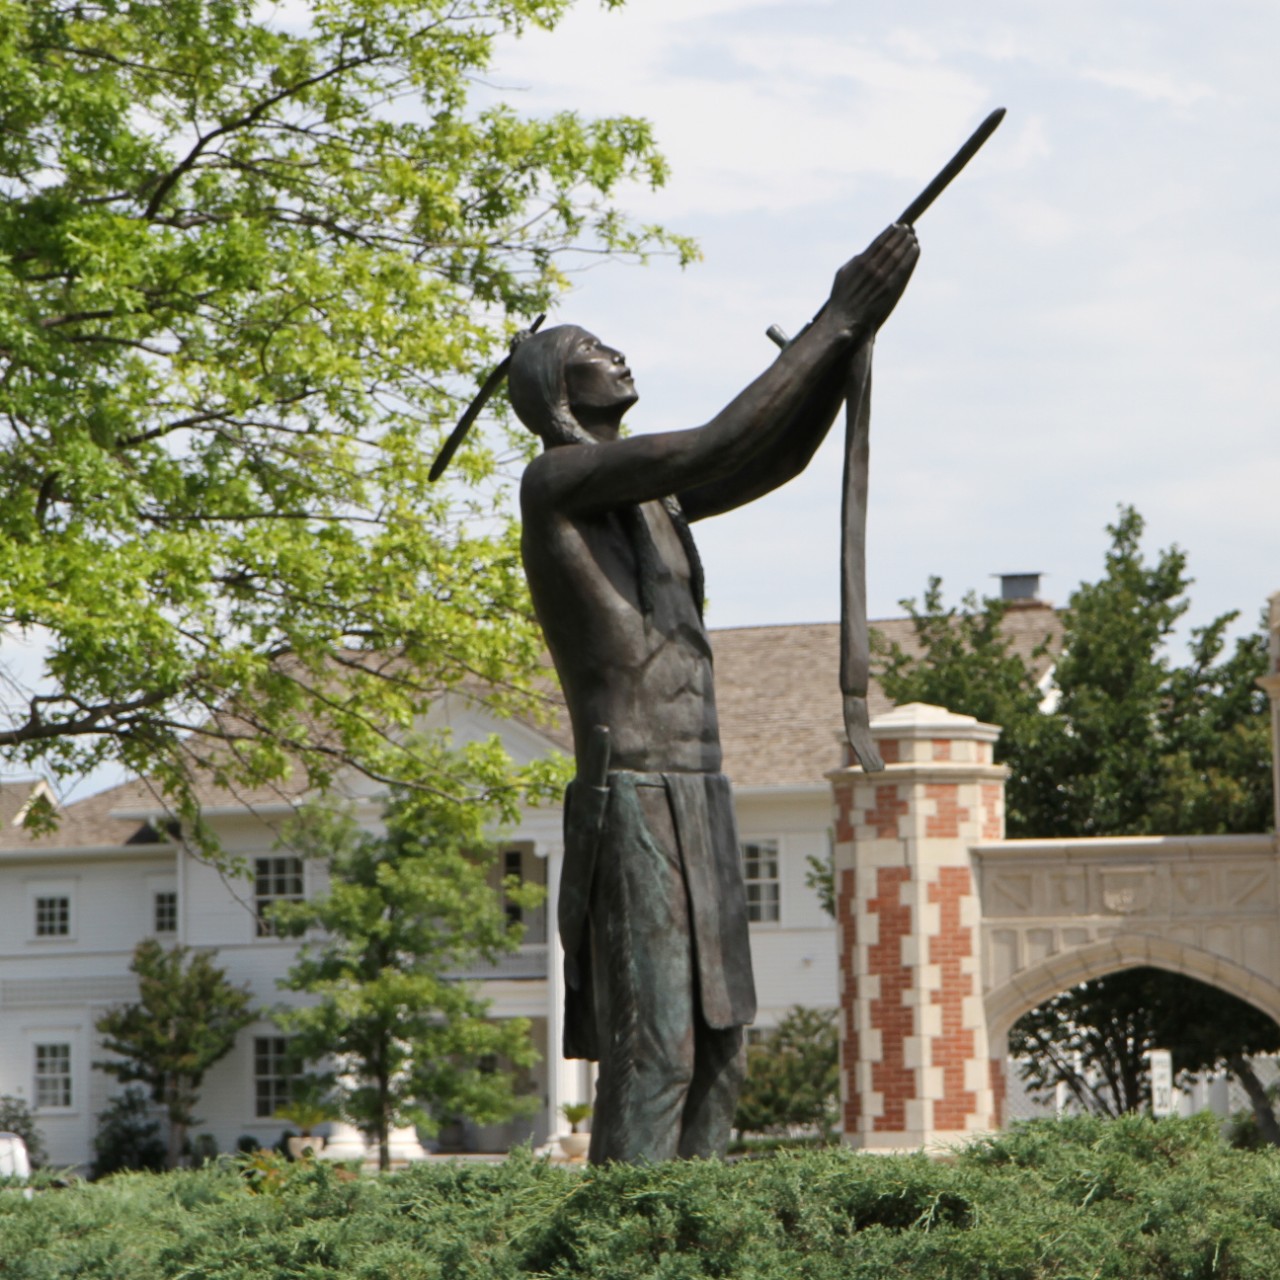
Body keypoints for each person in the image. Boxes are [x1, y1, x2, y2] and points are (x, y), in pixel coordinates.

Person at [511, 224, 919, 1162]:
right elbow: (715, 440)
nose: (614, 354)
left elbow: (769, 458)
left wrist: (842, 349)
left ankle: (701, 1242)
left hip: (701, 788)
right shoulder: (558, 483)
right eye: (587, 353)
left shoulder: (652, 502)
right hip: (635, 793)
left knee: (722, 1043)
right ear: (557, 396)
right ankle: (627, 1248)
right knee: (657, 1047)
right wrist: (835, 317)